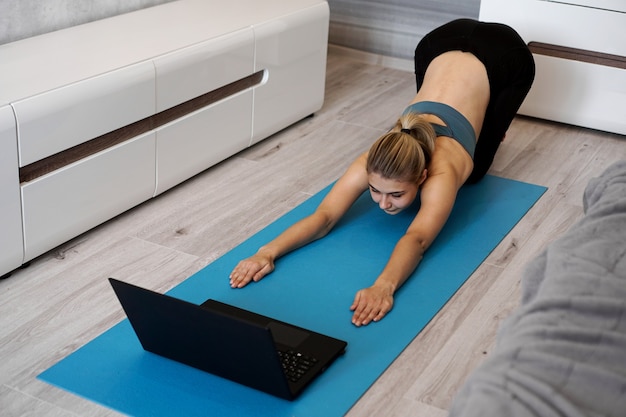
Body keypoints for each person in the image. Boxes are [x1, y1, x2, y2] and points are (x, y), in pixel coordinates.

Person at [229, 18, 535, 326]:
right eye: (375, 190)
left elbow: (417, 238)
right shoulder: (372, 158)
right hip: (437, 43)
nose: (383, 204)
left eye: (397, 194)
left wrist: (383, 286)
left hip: (504, 53)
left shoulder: (444, 172)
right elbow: (324, 217)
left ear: (423, 176)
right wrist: (266, 252)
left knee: (478, 168)